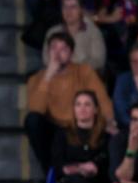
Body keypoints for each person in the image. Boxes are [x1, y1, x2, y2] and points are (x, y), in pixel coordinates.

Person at [26, 33, 113, 169]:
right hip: (54, 127)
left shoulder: (84, 71)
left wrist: (110, 121)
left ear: (71, 53)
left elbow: (101, 99)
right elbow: (36, 109)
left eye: (63, 49)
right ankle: (50, 171)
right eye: (54, 48)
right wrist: (48, 76)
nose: (57, 54)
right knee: (32, 120)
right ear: (48, 52)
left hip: (79, 125)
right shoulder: (36, 79)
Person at [44, 0, 106, 72]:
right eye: (65, 7)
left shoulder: (93, 32)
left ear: (81, 10)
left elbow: (99, 61)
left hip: (84, 77)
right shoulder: (53, 32)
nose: (68, 11)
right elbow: (46, 59)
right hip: (58, 75)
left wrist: (74, 69)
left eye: (73, 7)